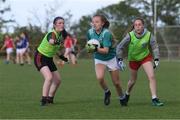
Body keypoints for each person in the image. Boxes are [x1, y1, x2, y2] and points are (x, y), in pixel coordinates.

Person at [116, 17, 164, 106]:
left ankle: (154, 98)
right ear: (134, 27)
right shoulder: (130, 35)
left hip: (145, 57)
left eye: (139, 25)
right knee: (132, 81)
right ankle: (127, 94)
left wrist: (156, 58)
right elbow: (120, 47)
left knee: (152, 76)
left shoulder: (149, 35)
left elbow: (154, 46)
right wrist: (119, 59)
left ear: (143, 26)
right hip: (133, 59)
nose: (138, 27)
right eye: (136, 25)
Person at [86, 14, 126, 106]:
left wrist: (94, 48)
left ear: (102, 23)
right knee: (100, 78)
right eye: (93, 22)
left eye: (97, 22)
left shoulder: (106, 33)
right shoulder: (89, 32)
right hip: (99, 59)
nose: (94, 24)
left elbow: (106, 51)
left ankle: (122, 97)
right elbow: (89, 44)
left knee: (116, 83)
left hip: (111, 58)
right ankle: (107, 92)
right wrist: (90, 48)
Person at [34, 16, 68, 106]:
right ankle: (43, 100)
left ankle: (50, 98)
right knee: (48, 77)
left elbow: (54, 48)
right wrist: (58, 42)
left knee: (57, 80)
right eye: (59, 23)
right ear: (54, 25)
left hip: (48, 59)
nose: (62, 24)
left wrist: (61, 56)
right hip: (40, 57)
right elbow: (51, 42)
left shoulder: (60, 35)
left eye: (63, 23)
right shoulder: (52, 33)